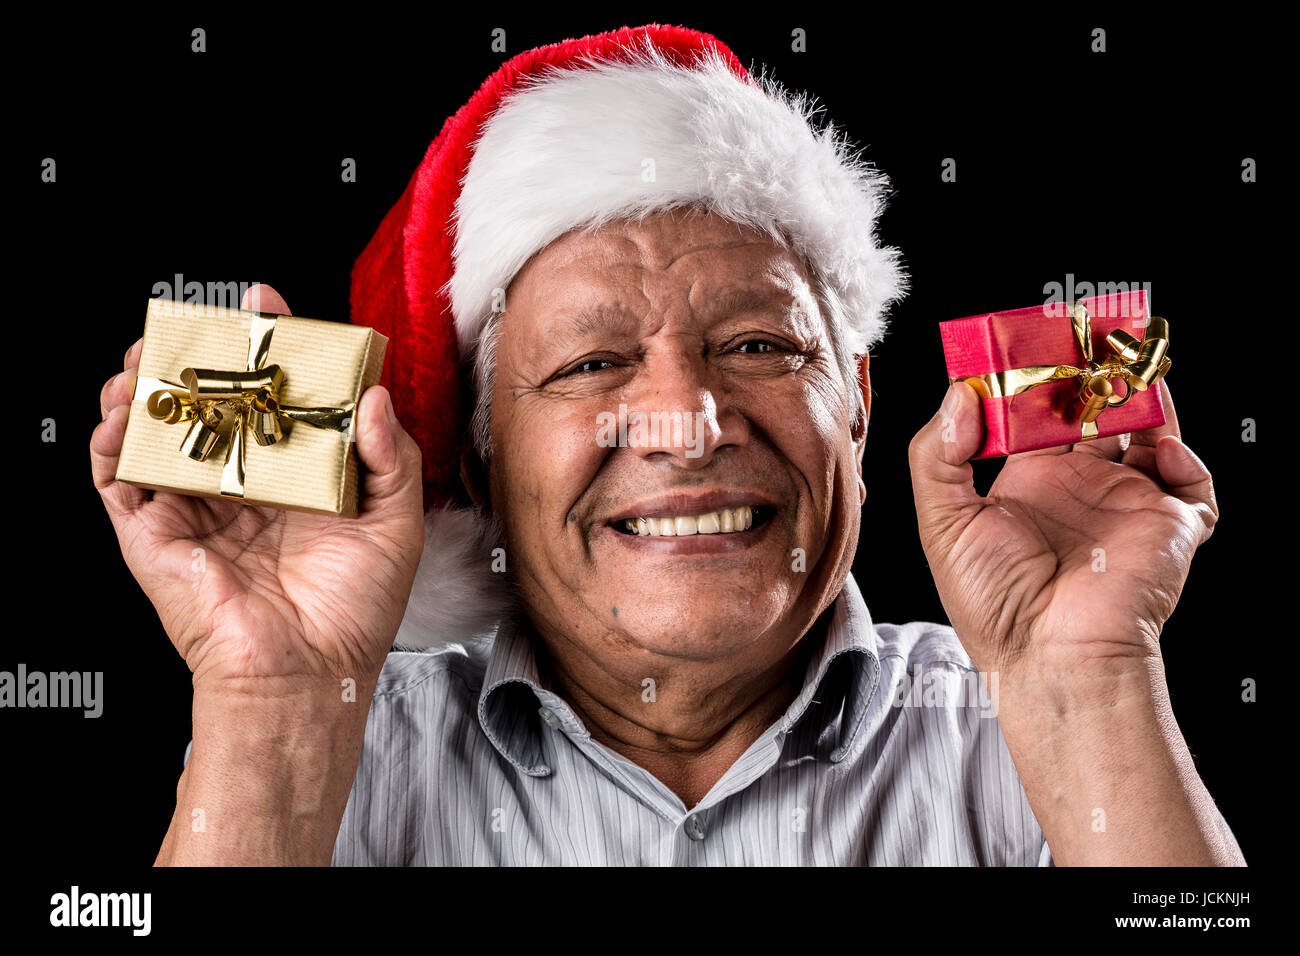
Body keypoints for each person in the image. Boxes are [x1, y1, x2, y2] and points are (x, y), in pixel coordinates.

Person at [90, 24, 1243, 865]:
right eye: (591, 364)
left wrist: (1088, 682)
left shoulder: (1025, 721)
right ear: (483, 455)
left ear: (855, 399)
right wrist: (268, 702)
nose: (686, 421)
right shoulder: (334, 740)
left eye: (756, 345)